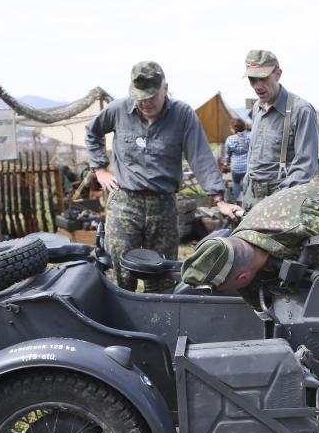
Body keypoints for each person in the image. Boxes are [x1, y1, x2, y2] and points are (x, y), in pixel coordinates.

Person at [85, 61, 242, 291]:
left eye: (151, 96)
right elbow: (92, 132)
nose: (145, 103)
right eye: (140, 97)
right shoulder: (118, 110)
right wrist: (99, 168)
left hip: (163, 205)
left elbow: (200, 156)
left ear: (165, 89)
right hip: (125, 202)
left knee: (161, 274)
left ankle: (158, 323)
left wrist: (219, 199)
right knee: (122, 270)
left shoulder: (182, 115)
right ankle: (123, 320)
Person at [181, 181, 319, 308]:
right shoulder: (240, 250)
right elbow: (264, 308)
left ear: (242, 277)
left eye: (219, 290)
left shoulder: (305, 225)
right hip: (303, 230)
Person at [242, 50, 319, 210]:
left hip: (282, 199)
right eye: (252, 79)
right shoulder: (257, 108)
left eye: (263, 78)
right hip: (252, 197)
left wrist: (278, 201)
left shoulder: (301, 110)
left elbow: (305, 165)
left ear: (278, 74)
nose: (257, 86)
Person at [224, 117, 250, 202]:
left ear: (233, 128)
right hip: (248, 167)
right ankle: (248, 200)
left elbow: (227, 155)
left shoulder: (230, 139)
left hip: (236, 167)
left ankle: (238, 201)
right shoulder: (250, 136)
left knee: (235, 183)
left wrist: (226, 164)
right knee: (248, 184)